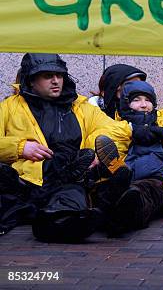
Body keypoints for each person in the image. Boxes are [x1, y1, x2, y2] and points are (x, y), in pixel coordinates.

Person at [0, 53, 131, 242]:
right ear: (31, 81)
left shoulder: (81, 106)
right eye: (47, 76)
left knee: (71, 205)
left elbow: (119, 130)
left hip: (71, 179)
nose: (55, 81)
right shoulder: (9, 107)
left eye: (59, 75)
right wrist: (20, 147)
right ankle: (104, 209)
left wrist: (93, 151)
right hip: (27, 179)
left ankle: (99, 210)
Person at [103, 80, 163, 235]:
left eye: (148, 100)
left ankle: (121, 218)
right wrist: (131, 131)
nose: (143, 105)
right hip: (124, 175)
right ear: (125, 104)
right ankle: (115, 217)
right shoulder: (117, 125)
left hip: (153, 177)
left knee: (144, 194)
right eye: (136, 100)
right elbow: (108, 144)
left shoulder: (162, 122)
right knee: (111, 190)